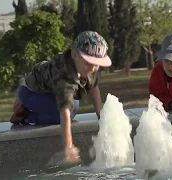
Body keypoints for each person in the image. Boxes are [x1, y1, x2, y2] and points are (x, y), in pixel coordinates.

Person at [10, 31, 112, 163]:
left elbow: (93, 88)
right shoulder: (63, 75)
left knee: (74, 108)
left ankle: (34, 108)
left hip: (51, 92)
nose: (93, 68)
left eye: (97, 64)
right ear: (75, 55)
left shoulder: (89, 70)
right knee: (57, 116)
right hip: (31, 92)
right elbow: (64, 111)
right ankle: (24, 110)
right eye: (88, 62)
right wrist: (68, 146)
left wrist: (100, 115)